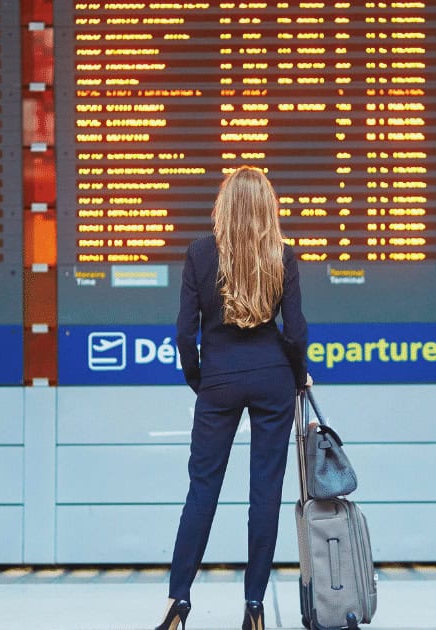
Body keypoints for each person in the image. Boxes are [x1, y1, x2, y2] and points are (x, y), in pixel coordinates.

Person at [155, 166, 310, 630]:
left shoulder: (200, 255)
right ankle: (255, 606)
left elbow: (184, 333)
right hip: (272, 380)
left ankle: (178, 601)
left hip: (218, 379)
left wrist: (199, 379)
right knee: (264, 493)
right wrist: (298, 376)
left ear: (223, 206)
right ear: (268, 207)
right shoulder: (283, 256)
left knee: (202, 489)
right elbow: (297, 333)